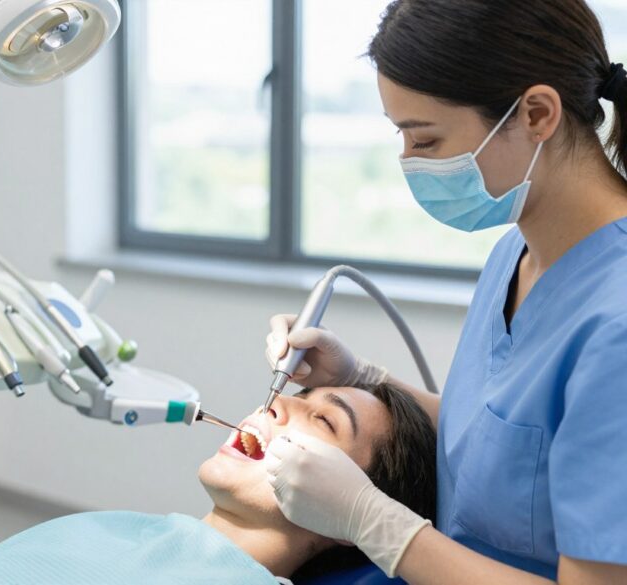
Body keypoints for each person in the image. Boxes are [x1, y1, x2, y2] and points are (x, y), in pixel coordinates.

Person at [263, 1, 627, 584]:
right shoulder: (519, 252)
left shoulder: (616, 323)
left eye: (425, 140)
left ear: (536, 113)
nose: (407, 161)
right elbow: (505, 444)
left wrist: (373, 522)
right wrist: (362, 379)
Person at [0, 383, 436, 584]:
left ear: (349, 508)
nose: (278, 403)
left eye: (325, 421)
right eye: (296, 394)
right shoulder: (105, 527)